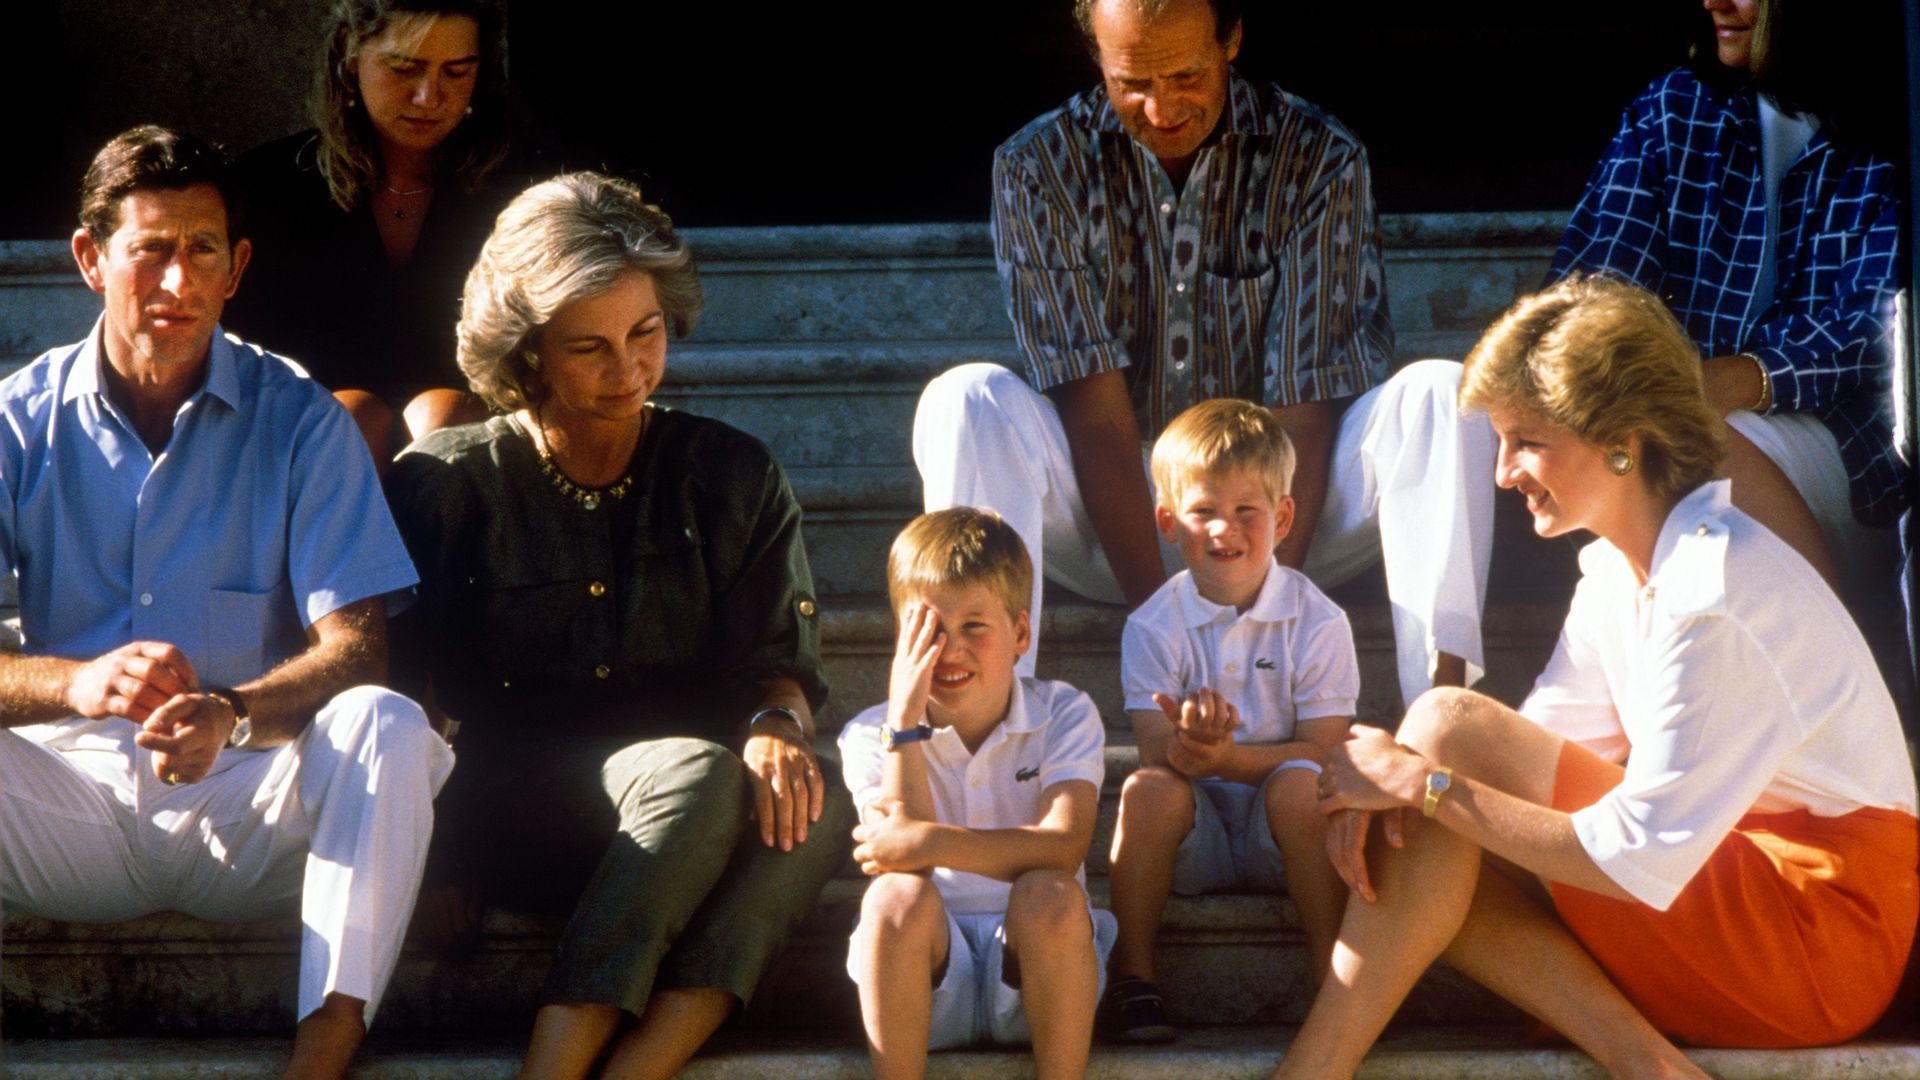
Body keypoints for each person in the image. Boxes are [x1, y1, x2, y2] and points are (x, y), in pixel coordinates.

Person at [1272, 274, 1918, 1079]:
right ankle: (1645, 1062)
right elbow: (1523, 763)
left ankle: (1311, 1072)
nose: (1502, 472)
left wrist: (1423, 783)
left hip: (1818, 937)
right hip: (1719, 888)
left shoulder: (1714, 589)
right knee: (1429, 826)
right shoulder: (1619, 570)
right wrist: (1410, 794)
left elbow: (1636, 853)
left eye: (1526, 440)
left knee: (1442, 735)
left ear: (1623, 440)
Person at [0, 126, 452, 1080]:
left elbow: (357, 651)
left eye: (202, 249)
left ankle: (319, 1060)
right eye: (150, 249)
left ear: (237, 267)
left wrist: (233, 712)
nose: (178, 281)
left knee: (387, 723)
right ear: (90, 259)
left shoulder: (303, 420)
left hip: (246, 806)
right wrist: (74, 683)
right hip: (66, 809)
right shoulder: (16, 422)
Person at [383, 171, 851, 1080]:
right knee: (697, 770)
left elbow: (779, 669)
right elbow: (400, 697)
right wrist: (432, 855)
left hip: (695, 827)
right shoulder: (447, 482)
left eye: (647, 332)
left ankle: (640, 1065)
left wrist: (777, 726)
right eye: (589, 347)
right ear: (529, 353)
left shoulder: (733, 474)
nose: (629, 369)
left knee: (825, 794)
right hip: (513, 816)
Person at [915, 0, 1497, 711]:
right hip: (1117, 510)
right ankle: (985, 726)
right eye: (1132, 83)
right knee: (966, 398)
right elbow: (1096, 419)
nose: (1161, 109)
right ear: (1097, 56)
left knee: (1442, 393)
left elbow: (1306, 413)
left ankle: (1444, 716)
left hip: (1274, 507)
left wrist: (1265, 614)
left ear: (1233, 39)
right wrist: (1165, 630)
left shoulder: (1319, 155)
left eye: (1186, 76)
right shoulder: (1036, 165)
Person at [1550, 0, 1908, 593]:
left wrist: (1730, 381)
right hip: (1673, 417)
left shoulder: (1889, 128)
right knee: (1642, 452)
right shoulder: (1675, 109)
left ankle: (1819, 640)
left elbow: (1871, 333)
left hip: (1843, 448)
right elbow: (1597, 283)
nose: (1714, 0)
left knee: (1689, 453)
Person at [1101, 399, 1355, 1043]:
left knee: (1302, 786)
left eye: (1247, 510)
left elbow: (1326, 753)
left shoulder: (1319, 621)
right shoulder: (1152, 625)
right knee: (1145, 789)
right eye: (1203, 511)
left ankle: (1338, 978)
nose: (1225, 529)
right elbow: (1154, 750)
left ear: (1284, 517)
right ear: (1167, 522)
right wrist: (1192, 744)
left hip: (1286, 830)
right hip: (1199, 832)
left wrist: (1230, 758)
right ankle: (1132, 973)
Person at [839, 508, 1113, 1080]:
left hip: (1039, 971)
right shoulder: (870, 733)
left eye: (973, 627)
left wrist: (929, 841)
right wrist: (905, 725)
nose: (950, 650)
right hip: (926, 978)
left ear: (1020, 634)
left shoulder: (1064, 711)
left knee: (1051, 893)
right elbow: (902, 862)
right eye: (930, 629)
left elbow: (1064, 847)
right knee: (894, 899)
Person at [227, 0, 512, 464]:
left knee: (446, 419)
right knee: (353, 418)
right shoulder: (267, 185)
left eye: (457, 72)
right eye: (403, 68)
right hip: (308, 453)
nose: (428, 97)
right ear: (350, 53)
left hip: (470, 451)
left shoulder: (520, 185)